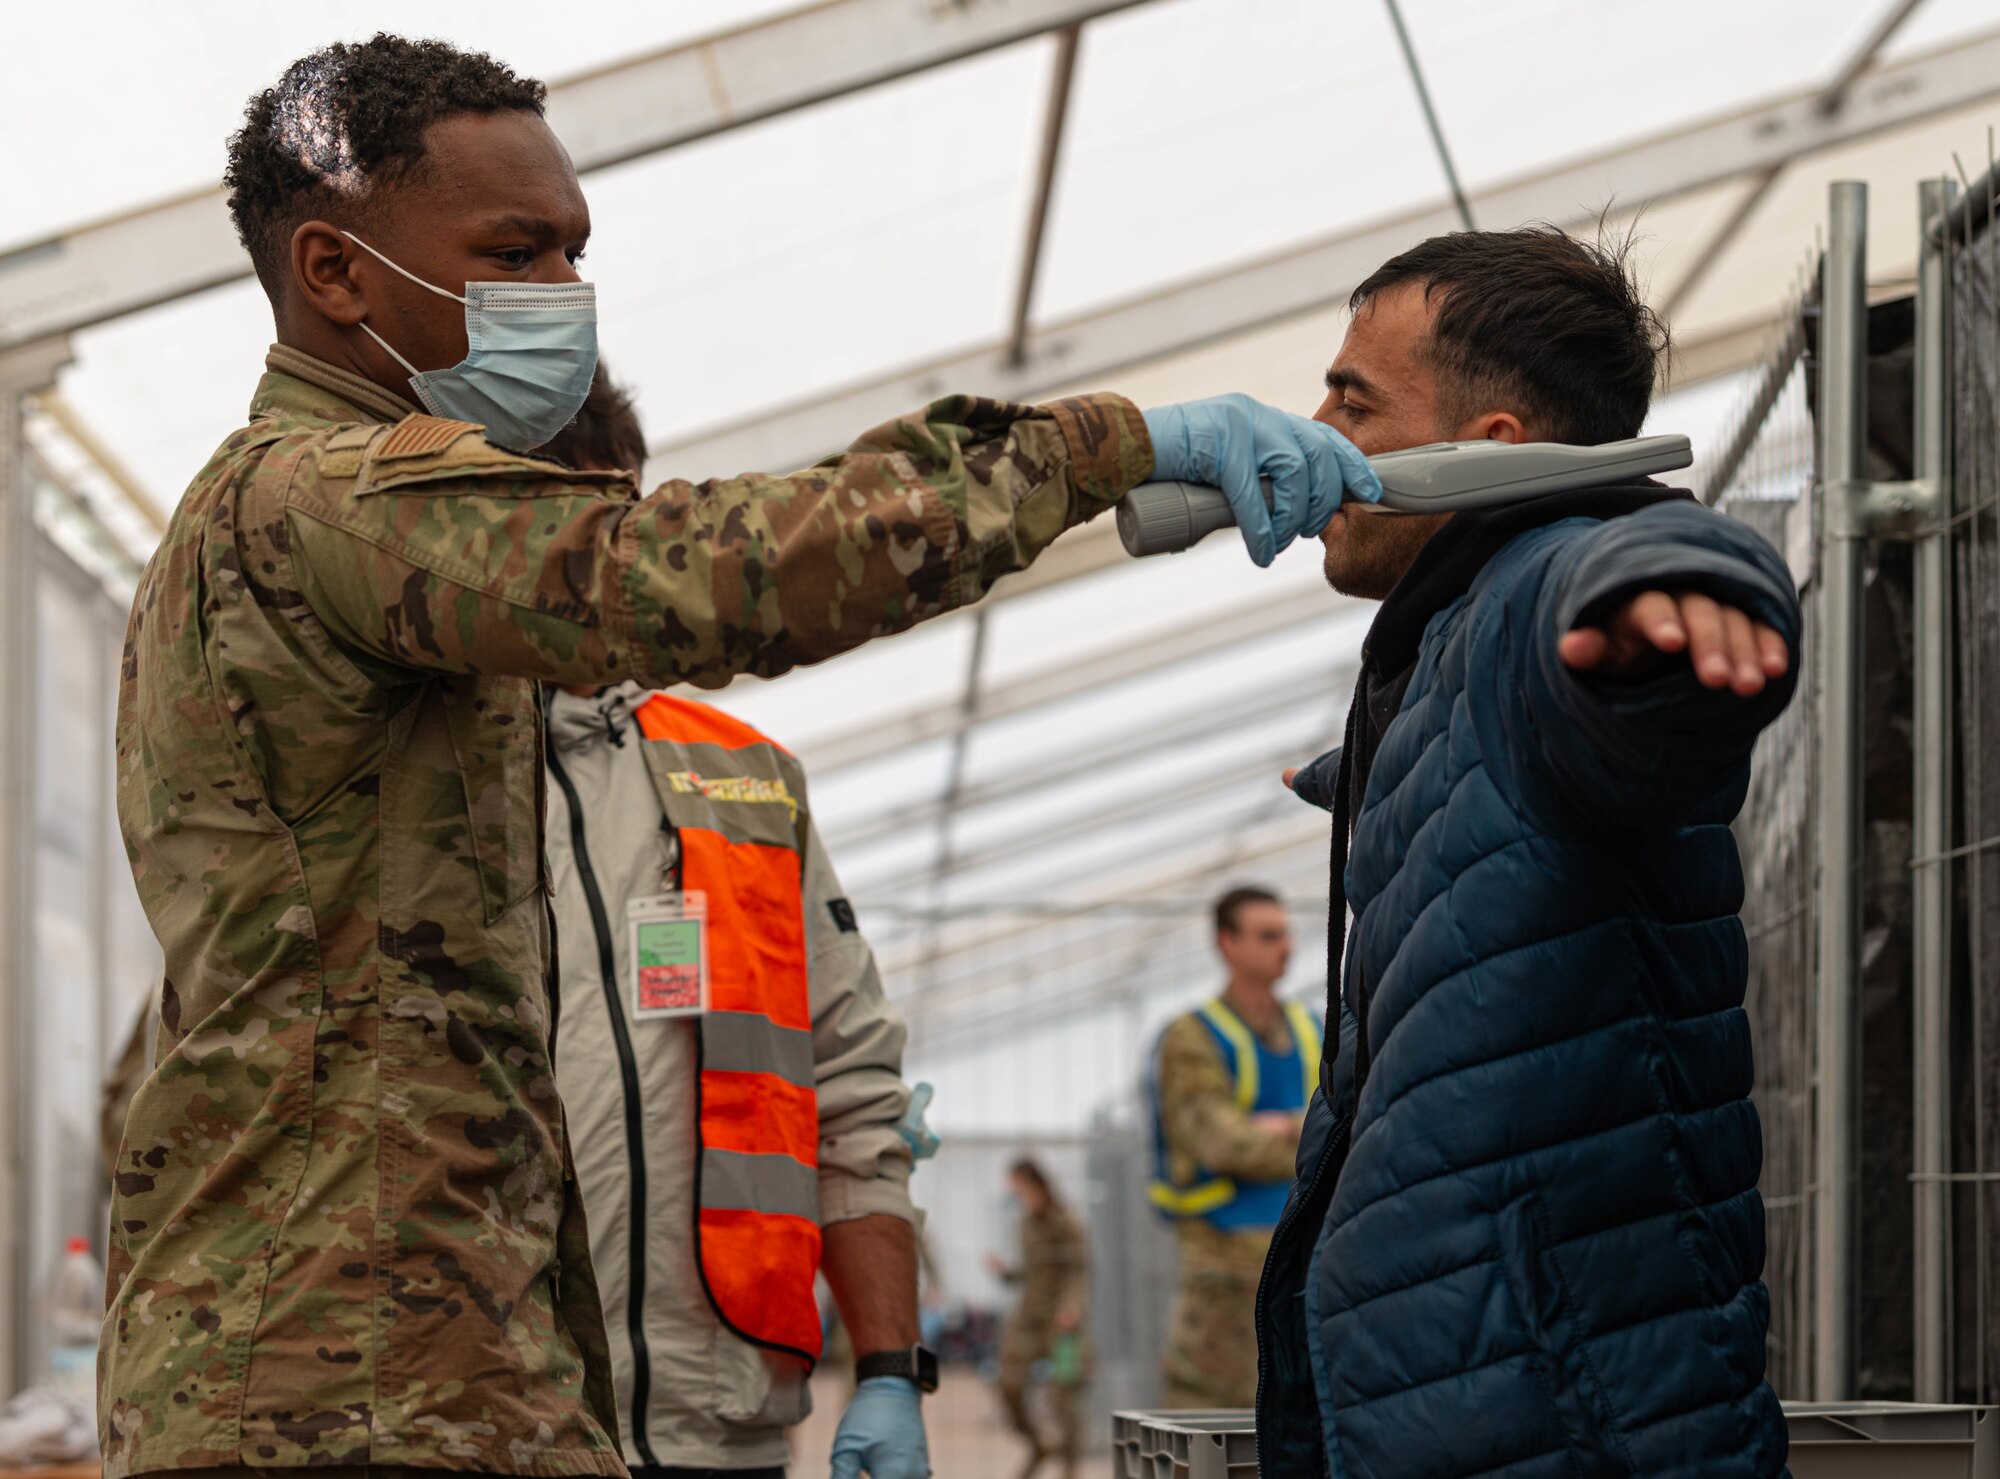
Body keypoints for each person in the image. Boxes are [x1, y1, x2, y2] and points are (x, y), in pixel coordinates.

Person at [100, 32, 1382, 1479]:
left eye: (574, 253)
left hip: (421, 1357)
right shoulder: (327, 499)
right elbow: (695, 575)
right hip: (344, 1385)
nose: (564, 298)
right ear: (334, 272)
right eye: (514, 253)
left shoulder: (320, 550)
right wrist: (1100, 446)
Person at [1253, 226, 1800, 1479]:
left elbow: (1629, 567)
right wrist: (1370, 785)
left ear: (1487, 452)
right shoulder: (1449, 638)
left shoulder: (1541, 587)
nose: (1317, 430)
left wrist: (1668, 595)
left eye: (1354, 398)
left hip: (1568, 1427)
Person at [537, 373, 933, 1479]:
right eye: (557, 533)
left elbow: (850, 1087)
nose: (599, 567)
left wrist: (891, 1373)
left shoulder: (741, 778)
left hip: (720, 1416)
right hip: (487, 1418)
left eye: (620, 525)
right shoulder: (400, 783)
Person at [1146, 886, 1316, 1409]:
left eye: (1286, 934)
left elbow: (1353, 1124)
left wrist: (1279, 1126)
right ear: (1227, 944)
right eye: (1268, 936)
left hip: (1306, 1267)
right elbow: (1222, 1144)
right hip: (1223, 1280)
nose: (1285, 947)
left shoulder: (1313, 1029)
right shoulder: (1191, 1038)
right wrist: (1309, 1138)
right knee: (1214, 1429)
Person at [985, 1159, 1088, 1479]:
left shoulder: (1065, 1222)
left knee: (1064, 1397)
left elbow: (1080, 1269)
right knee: (1008, 1384)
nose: (1014, 1194)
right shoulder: (1026, 1223)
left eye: (1017, 1187)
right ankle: (1036, 1445)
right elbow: (1033, 1272)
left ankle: (1070, 1468)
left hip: (1062, 1323)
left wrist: (1072, 1307)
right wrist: (1006, 1273)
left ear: (1034, 1184)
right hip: (1028, 1317)